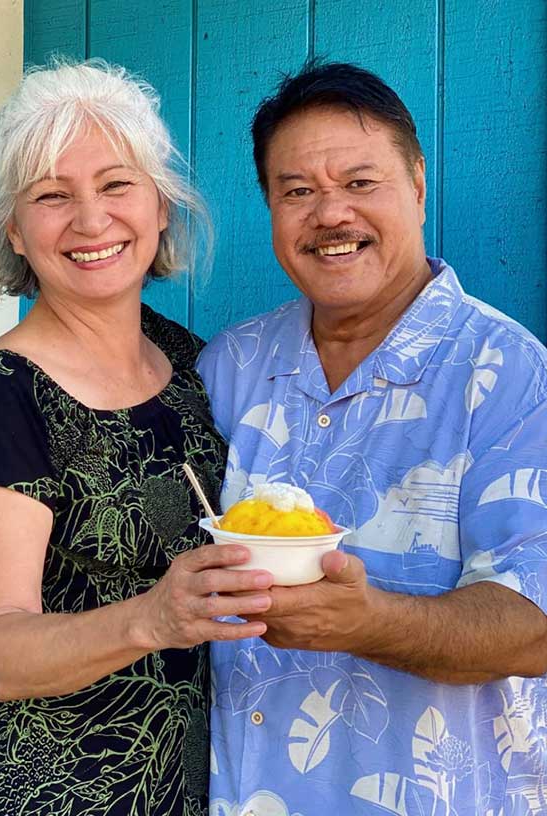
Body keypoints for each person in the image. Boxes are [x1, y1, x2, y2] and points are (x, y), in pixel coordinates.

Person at [196, 61, 547, 816]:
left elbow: (536, 628)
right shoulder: (232, 365)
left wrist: (369, 624)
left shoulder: (510, 373)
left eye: (359, 183)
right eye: (298, 192)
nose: (329, 214)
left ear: (417, 183)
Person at [0, 60, 275, 816]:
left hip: (185, 786)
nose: (91, 221)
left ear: (161, 207)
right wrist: (152, 617)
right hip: (41, 791)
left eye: (117, 185)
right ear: (16, 233)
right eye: (52, 197)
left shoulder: (196, 364)